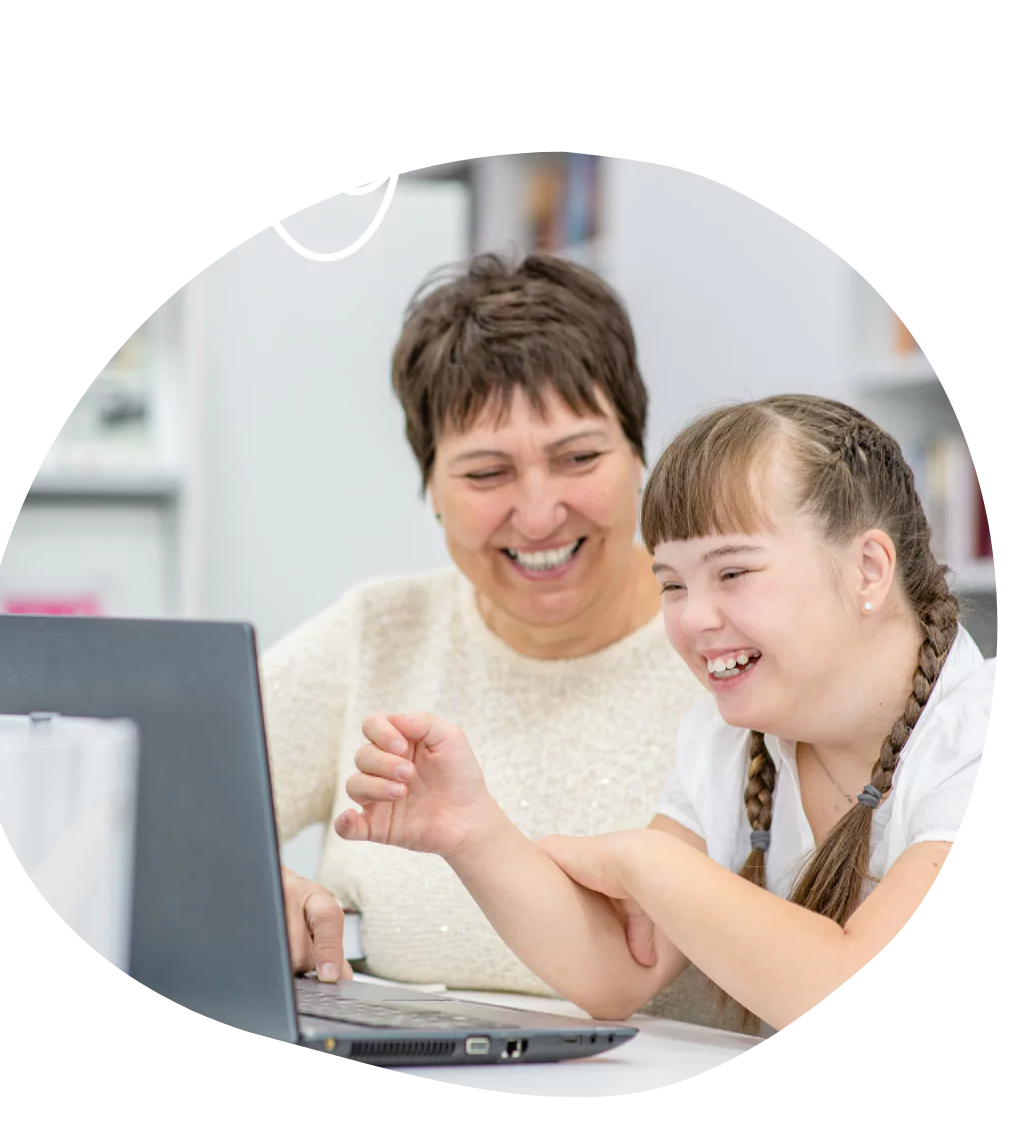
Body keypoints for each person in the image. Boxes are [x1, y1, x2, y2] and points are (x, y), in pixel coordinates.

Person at [336, 393, 995, 1033]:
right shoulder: (728, 742)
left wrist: (646, 861)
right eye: (672, 583)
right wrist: (470, 830)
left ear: (868, 569)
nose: (691, 619)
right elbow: (620, 969)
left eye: (731, 573)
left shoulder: (976, 731)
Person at [262, 252, 722, 1024]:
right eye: (485, 474)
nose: (538, 515)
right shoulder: (374, 633)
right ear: (430, 490)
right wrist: (248, 886)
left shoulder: (729, 649)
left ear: (639, 455)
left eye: (578, 457)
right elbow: (149, 808)